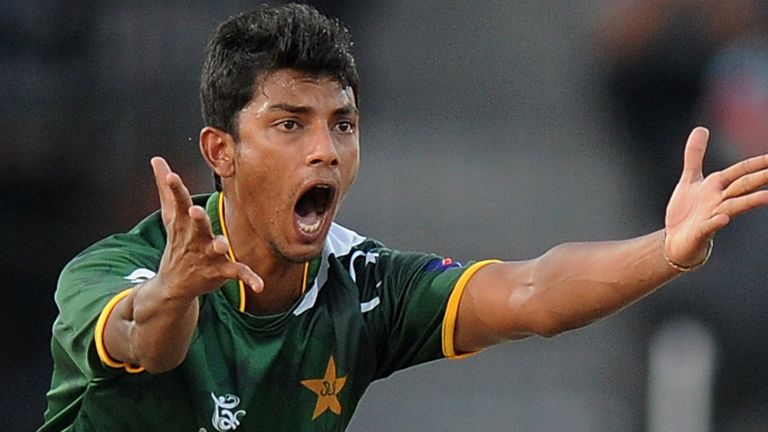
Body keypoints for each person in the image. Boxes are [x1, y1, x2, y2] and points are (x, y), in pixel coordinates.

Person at [38, 4, 768, 432]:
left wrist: (666, 250)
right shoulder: (108, 271)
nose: (325, 151)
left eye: (343, 125)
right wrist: (173, 295)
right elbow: (145, 340)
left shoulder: (363, 286)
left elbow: (532, 293)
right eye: (291, 125)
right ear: (220, 151)